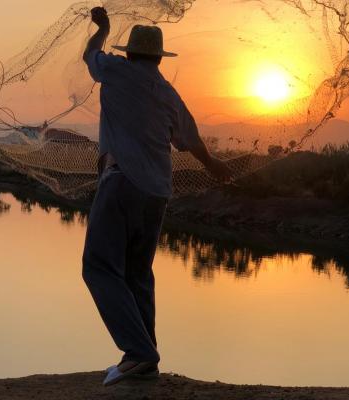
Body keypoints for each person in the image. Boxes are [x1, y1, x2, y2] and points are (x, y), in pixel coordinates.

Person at [81, 7, 234, 386]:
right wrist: (212, 164)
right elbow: (191, 139)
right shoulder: (168, 94)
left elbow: (90, 57)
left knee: (99, 266)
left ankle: (139, 353)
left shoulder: (114, 71)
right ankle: (143, 356)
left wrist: (101, 29)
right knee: (137, 273)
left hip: (120, 184)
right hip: (156, 194)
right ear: (158, 58)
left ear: (130, 53)